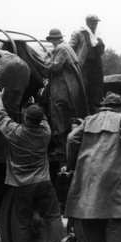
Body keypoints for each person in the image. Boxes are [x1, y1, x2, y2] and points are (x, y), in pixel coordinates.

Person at [0, 86, 64, 242]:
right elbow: (45, 120)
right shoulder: (45, 133)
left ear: (25, 118)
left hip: (21, 184)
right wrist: (36, 106)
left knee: (22, 222)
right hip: (43, 182)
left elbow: (0, 115)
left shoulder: (15, 133)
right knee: (54, 216)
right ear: (40, 120)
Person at [65, 92, 121, 242]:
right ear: (119, 106)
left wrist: (73, 163)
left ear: (104, 105)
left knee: (91, 215)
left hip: (88, 172)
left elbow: (71, 138)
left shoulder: (89, 120)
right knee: (115, 214)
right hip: (113, 171)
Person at [44, 28, 88, 159]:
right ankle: (70, 147)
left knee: (59, 117)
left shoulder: (61, 49)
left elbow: (55, 68)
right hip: (70, 89)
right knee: (68, 117)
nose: (52, 43)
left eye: (52, 40)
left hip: (63, 89)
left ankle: (62, 149)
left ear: (55, 39)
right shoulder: (68, 48)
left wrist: (47, 58)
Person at [69, 14, 105, 113]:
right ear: (87, 22)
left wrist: (100, 44)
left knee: (97, 87)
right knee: (83, 88)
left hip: (96, 65)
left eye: (96, 22)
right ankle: (83, 110)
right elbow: (70, 48)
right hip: (83, 64)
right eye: (93, 22)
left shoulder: (97, 35)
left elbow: (101, 52)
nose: (95, 24)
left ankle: (95, 109)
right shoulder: (79, 33)